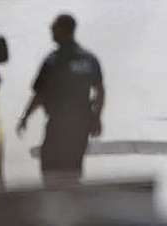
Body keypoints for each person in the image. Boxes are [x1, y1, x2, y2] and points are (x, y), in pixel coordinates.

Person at [17, 14, 105, 186]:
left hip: (59, 124)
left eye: (55, 28)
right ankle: (71, 202)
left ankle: (58, 204)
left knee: (50, 167)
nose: (51, 31)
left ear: (64, 31)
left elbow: (40, 95)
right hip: (81, 125)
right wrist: (96, 117)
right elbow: (100, 91)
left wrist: (26, 116)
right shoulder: (88, 59)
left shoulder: (53, 61)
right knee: (73, 168)